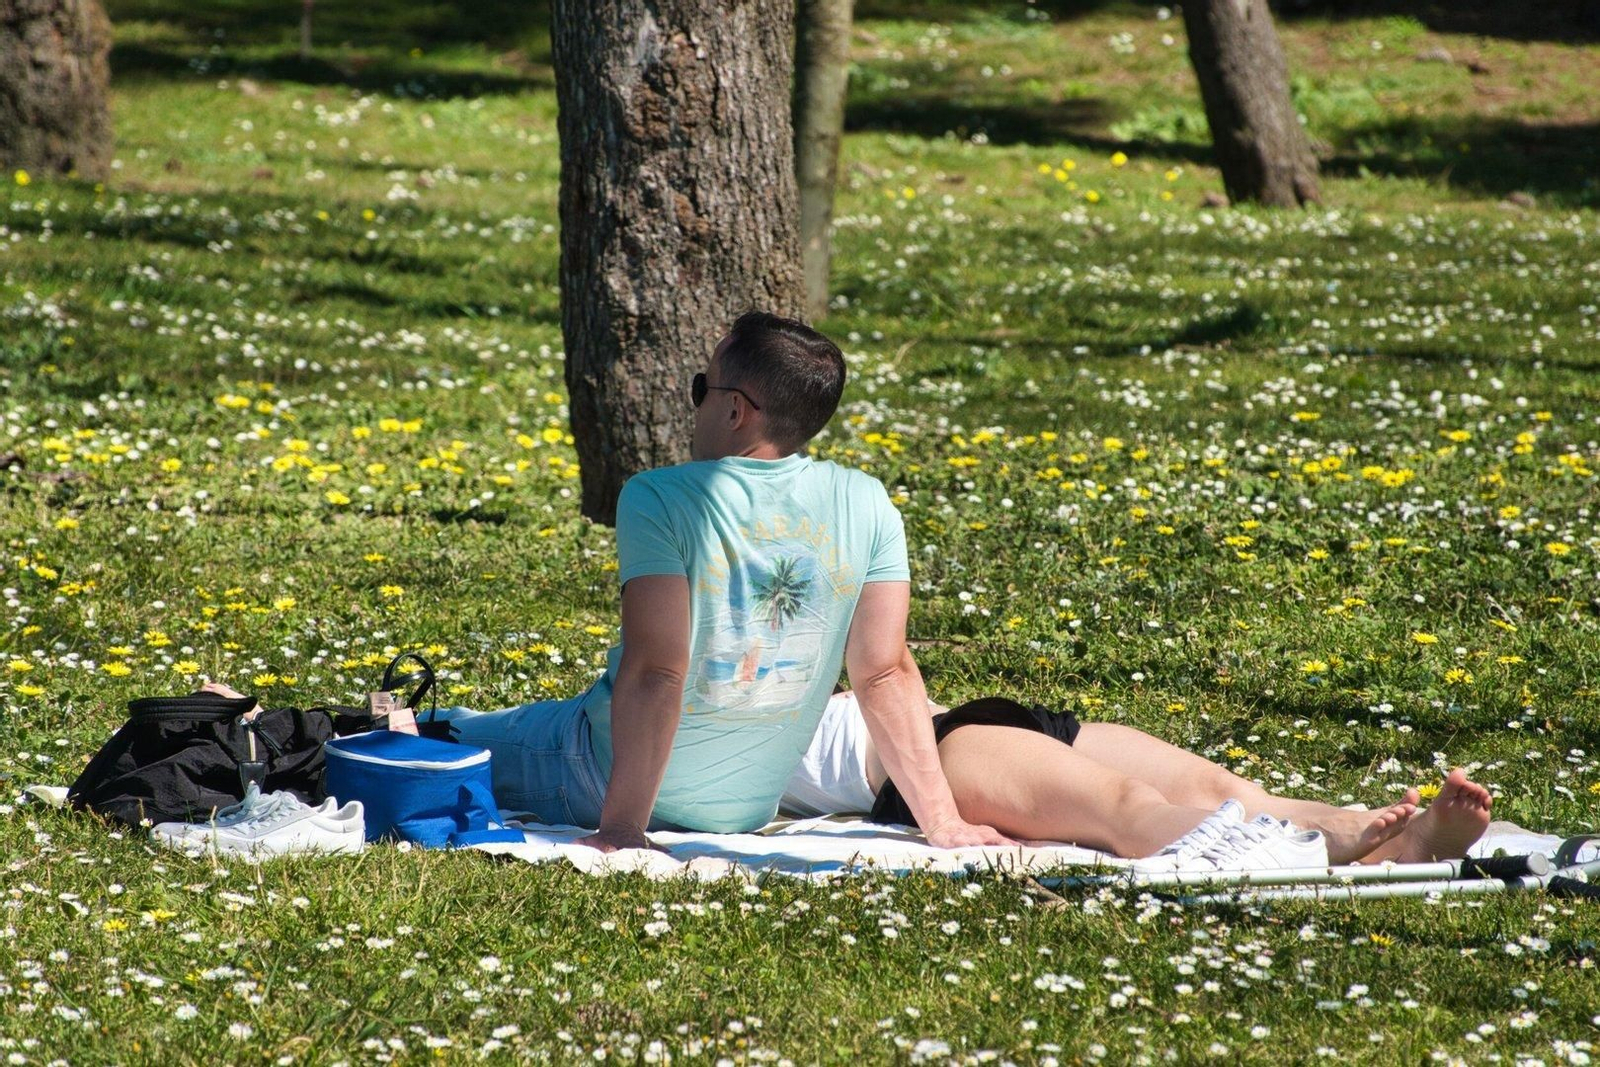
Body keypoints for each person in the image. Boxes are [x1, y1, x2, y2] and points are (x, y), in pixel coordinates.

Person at [429, 311, 1013, 854]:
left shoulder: (658, 496)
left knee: (448, 737)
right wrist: (943, 821)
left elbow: (658, 670)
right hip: (748, 807)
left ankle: (390, 726)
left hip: (594, 770)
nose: (695, 404)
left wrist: (623, 828)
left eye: (699, 388)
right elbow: (883, 672)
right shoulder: (867, 500)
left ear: (735, 410)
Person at [781, 689, 1495, 865]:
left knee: (1230, 792)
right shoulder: (676, 711)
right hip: (924, 767)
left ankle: (1397, 841)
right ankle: (1339, 843)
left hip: (977, 718)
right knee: (1131, 810)